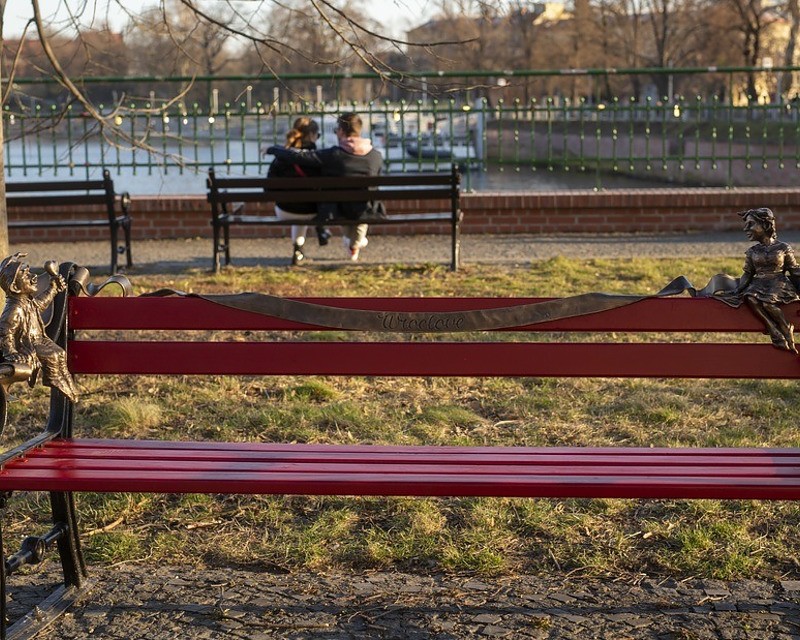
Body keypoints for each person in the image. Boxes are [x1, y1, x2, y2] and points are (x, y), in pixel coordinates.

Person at [266, 112, 383, 261]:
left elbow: (294, 161)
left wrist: (274, 149)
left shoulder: (333, 155)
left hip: (286, 210)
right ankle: (353, 243)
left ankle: (299, 248)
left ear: (341, 131)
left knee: (329, 206)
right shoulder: (376, 157)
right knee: (351, 211)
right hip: (362, 210)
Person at [0, 253, 78, 400]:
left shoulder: (27, 302)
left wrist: (53, 288)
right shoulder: (14, 308)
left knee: (60, 353)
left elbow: (40, 304)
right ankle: (55, 379)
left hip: (40, 338)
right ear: (15, 287)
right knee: (52, 355)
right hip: (28, 344)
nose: (33, 276)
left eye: (29, 272)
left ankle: (66, 383)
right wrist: (11, 352)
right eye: (25, 275)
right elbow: (5, 331)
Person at [729, 207, 800, 353]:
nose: (745, 229)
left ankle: (785, 327)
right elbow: (747, 275)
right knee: (751, 298)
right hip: (759, 283)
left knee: (767, 303)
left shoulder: (783, 248)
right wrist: (737, 289)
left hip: (778, 283)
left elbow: (794, 270)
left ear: (765, 225)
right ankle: (773, 329)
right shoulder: (752, 251)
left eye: (750, 224)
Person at [267, 117, 322, 265]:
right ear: (311, 135)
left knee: (298, 206)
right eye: (318, 135)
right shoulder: (318, 158)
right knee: (305, 206)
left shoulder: (280, 158)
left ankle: (298, 250)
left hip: (284, 210)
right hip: (312, 211)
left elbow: (268, 188)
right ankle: (302, 245)